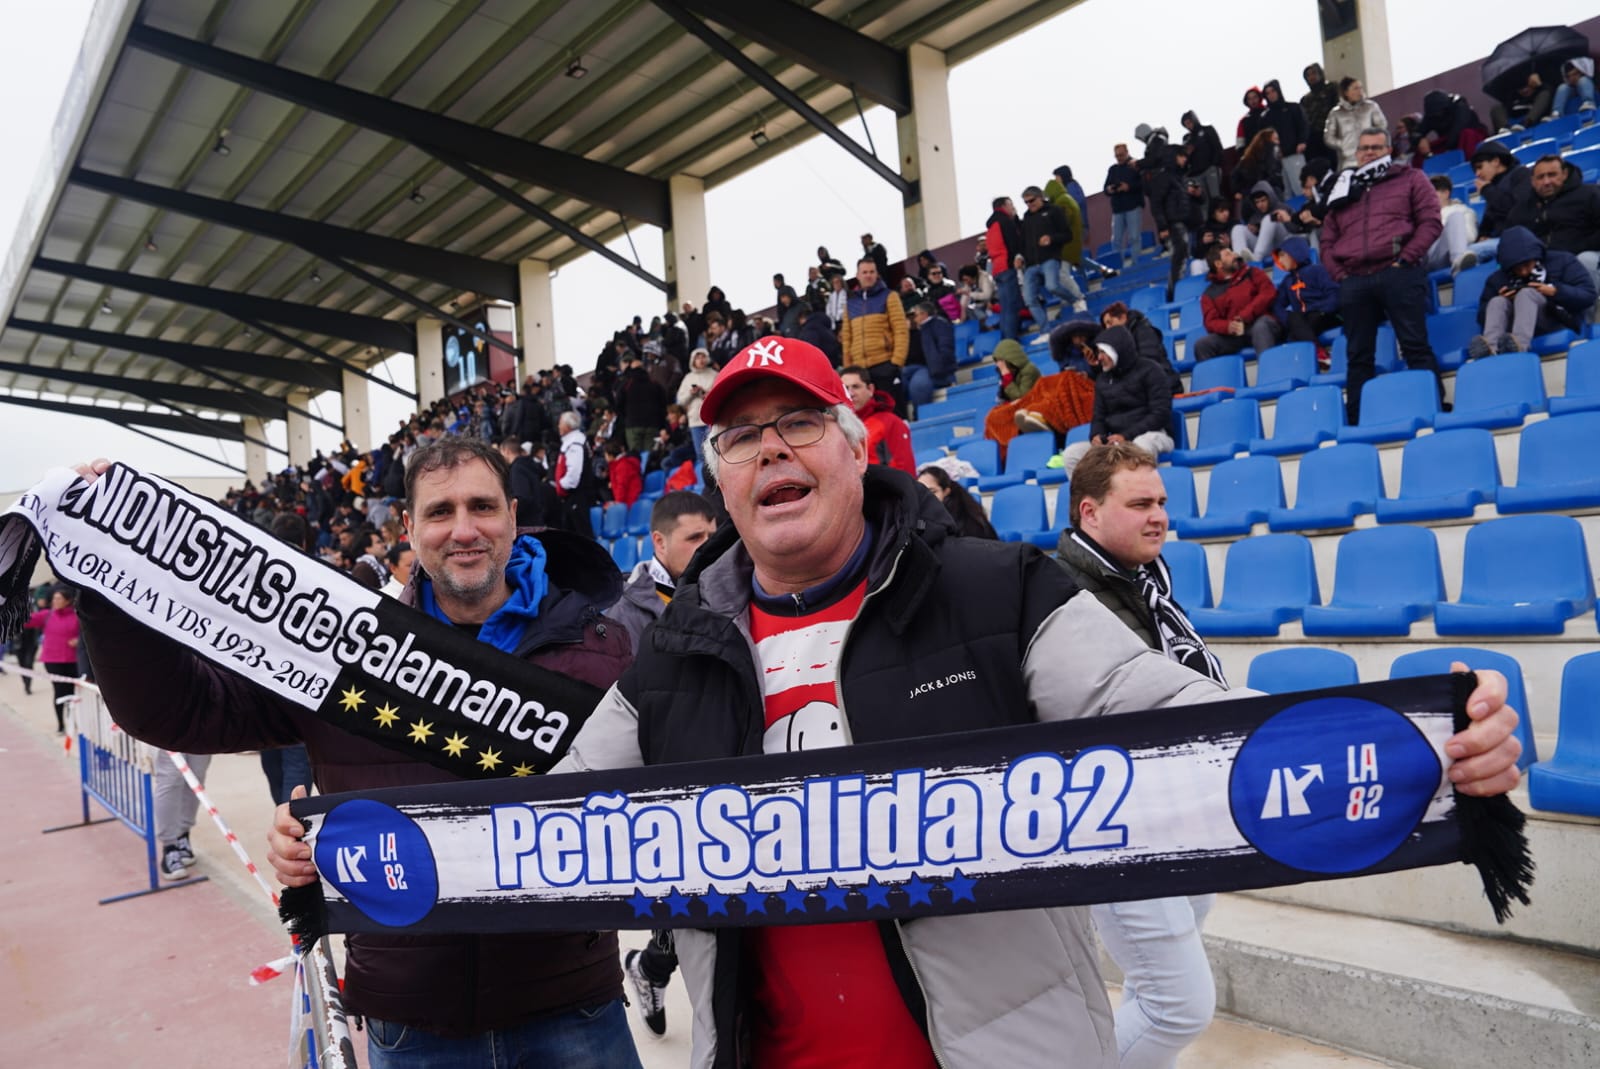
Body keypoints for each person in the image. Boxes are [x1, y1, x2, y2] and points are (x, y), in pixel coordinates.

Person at [266, 338, 1525, 1069]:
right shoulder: (671, 654)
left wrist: (1424, 748)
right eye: (740, 437)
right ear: (713, 471)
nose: (770, 451)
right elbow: (536, 823)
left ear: (853, 444)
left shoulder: (996, 587)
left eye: (797, 423)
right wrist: (343, 851)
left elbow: (1163, 716)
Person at [83, 437, 642, 1068]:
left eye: (482, 506)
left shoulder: (606, 650)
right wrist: (110, 582)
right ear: (408, 527)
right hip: (411, 1022)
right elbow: (175, 710)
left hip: (575, 1010)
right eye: (439, 512)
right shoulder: (338, 649)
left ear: (514, 514)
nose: (464, 530)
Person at [1055, 442, 1225, 1068]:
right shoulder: (1069, 598)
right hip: (1123, 820)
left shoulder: (1146, 579)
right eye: (1140, 504)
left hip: (1181, 804)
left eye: (1161, 503)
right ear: (1091, 513)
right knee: (1177, 1004)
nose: (1158, 516)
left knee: (1157, 993)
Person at [1319, 127, 1442, 422]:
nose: (1370, 153)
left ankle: (1433, 409)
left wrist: (1406, 258)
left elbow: (1431, 222)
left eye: (1376, 147)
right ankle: (1358, 420)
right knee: (1358, 356)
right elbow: (1326, 241)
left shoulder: (1411, 178)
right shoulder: (1344, 188)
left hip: (1397, 272)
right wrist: (1340, 275)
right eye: (1364, 148)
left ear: (1388, 150)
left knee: (1414, 345)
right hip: (1355, 281)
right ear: (1356, 153)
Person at [1058, 326, 1174, 477]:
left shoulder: (1151, 370)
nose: (1099, 358)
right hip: (1116, 442)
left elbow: (1160, 414)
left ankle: (1140, 498)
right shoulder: (1102, 380)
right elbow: (1098, 416)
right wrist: (1097, 436)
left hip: (1153, 435)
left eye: (1103, 352)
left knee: (1140, 446)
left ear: (1118, 350)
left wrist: (1126, 436)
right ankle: (1092, 499)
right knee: (1072, 454)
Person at [1467, 226, 1598, 357]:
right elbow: (1481, 317)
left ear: (1536, 256)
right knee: (1497, 301)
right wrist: (1504, 298)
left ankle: (1519, 347)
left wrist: (1555, 292)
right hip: (1512, 325)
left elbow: (1588, 295)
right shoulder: (1497, 279)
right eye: (1517, 269)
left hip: (1556, 319)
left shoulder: (1563, 261)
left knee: (1526, 294)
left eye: (1527, 265)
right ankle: (1490, 349)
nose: (1524, 272)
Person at [1505, 155, 1600, 292]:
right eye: (1540, 177)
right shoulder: (1521, 209)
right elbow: (1511, 242)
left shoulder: (1590, 194)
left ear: (1565, 174)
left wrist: (1578, 247)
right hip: (1544, 261)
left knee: (1585, 260)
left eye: (1552, 175)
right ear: (1532, 181)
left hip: (1587, 253)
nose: (1546, 181)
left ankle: (1589, 311)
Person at [1193, 245, 1281, 361]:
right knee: (1202, 345)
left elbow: (1268, 293)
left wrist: (1244, 316)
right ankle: (1218, 378)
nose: (1234, 255)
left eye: (1232, 252)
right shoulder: (1209, 294)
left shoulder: (1253, 273)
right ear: (1218, 264)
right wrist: (1228, 327)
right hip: (1235, 335)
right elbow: (1210, 322)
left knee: (1261, 326)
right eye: (1228, 254)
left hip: (1261, 323)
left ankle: (1269, 373)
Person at [841, 256, 910, 404]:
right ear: (858, 275)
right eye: (864, 272)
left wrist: (896, 362)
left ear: (876, 274)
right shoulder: (851, 303)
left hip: (885, 364)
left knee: (891, 411)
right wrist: (848, 367)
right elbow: (846, 337)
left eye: (872, 272)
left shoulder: (889, 296)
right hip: (859, 369)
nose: (868, 275)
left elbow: (900, 330)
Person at [1019, 184, 1088, 329]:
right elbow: (1024, 240)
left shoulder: (1054, 211)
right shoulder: (1026, 217)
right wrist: (1021, 256)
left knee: (1052, 286)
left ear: (1040, 198)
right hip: (1031, 264)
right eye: (1026, 202)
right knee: (1029, 299)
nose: (1029, 205)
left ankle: (1075, 300)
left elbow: (1067, 235)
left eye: (1031, 201)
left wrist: (1051, 238)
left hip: (1050, 258)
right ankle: (1045, 331)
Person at [1272, 236, 1342, 372]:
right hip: (1305, 320)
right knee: (1293, 320)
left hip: (1326, 315)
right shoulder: (1287, 281)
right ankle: (1319, 354)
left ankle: (1302, 367)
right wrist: (1287, 320)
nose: (1280, 260)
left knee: (1294, 332)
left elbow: (1334, 294)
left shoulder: (1317, 270)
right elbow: (1277, 305)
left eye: (1283, 255)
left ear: (1295, 253)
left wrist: (1319, 309)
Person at [841, 365, 916, 475]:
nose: (851, 393)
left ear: (870, 389)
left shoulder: (890, 422)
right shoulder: (835, 426)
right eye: (845, 389)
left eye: (856, 387)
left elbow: (904, 469)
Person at [25, 586, 79, 734]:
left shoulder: (77, 616)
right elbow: (26, 621)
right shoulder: (47, 615)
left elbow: (87, 635)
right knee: (60, 691)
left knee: (72, 692)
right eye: (54, 598)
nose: (55, 601)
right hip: (52, 660)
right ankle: (61, 724)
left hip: (72, 660)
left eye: (59, 598)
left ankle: (72, 722)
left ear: (68, 601)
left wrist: (78, 641)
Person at [1146, 143, 1196, 301]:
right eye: (1182, 156)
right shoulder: (1164, 177)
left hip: (1182, 222)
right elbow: (1156, 203)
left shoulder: (1179, 177)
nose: (1185, 159)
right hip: (1173, 224)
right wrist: (1162, 226)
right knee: (1179, 257)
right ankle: (1174, 292)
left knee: (1182, 256)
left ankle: (1177, 290)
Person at [1100, 301, 1182, 395]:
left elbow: (1148, 362)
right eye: (1105, 326)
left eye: (1109, 323)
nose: (1107, 328)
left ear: (1122, 317)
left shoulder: (1144, 331)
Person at [916, 465, 998, 539]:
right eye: (921, 493)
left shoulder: (962, 520)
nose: (926, 497)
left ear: (946, 491)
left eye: (932, 492)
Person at [984, 196, 1027, 339]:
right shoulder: (1005, 222)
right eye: (1011, 204)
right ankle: (1011, 339)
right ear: (1003, 206)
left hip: (997, 269)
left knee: (1005, 307)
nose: (1013, 207)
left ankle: (1006, 337)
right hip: (1007, 267)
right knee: (1011, 307)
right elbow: (1013, 242)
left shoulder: (991, 225)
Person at [555, 410, 600, 539]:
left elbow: (574, 474)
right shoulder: (572, 441)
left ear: (568, 426)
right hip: (572, 496)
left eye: (560, 423)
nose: (558, 426)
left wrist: (562, 484)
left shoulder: (575, 443)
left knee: (581, 535)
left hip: (576, 495)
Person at [1261, 79, 1311, 195]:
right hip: (1278, 161)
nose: (1271, 95)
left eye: (1273, 91)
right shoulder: (1265, 117)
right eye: (1267, 93)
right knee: (1286, 194)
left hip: (1295, 154)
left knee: (1302, 188)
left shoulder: (1293, 108)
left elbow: (1303, 125)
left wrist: (1302, 141)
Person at [1324, 77, 1386, 169]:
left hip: (1372, 157)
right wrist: (1343, 144)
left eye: (1360, 88)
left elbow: (1382, 126)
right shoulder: (1335, 113)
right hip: (1348, 161)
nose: (1360, 91)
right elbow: (1328, 137)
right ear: (1346, 92)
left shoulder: (1371, 107)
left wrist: (1372, 141)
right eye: (1355, 88)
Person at [907, 301, 956, 407]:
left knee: (919, 384)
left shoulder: (939, 325)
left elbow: (946, 350)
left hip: (937, 371)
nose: (913, 319)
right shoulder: (920, 330)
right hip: (924, 368)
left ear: (924, 314)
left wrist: (939, 370)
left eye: (915, 315)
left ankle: (919, 414)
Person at [1104, 143, 1145, 263]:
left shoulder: (1135, 165)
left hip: (1133, 206)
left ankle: (1137, 263)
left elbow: (1143, 184)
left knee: (1134, 237)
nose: (1119, 158)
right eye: (1117, 156)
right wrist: (1110, 189)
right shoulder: (1112, 170)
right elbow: (1105, 189)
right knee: (1116, 240)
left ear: (1127, 152)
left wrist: (1129, 187)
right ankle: (1118, 266)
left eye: (1121, 155)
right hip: (1118, 209)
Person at [677, 347, 718, 459]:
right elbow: (680, 400)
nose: (701, 360)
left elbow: (721, 394)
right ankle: (702, 476)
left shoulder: (714, 374)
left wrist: (707, 394)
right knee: (701, 455)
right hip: (695, 421)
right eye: (697, 357)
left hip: (712, 419)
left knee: (715, 453)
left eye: (703, 356)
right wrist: (691, 393)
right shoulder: (688, 378)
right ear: (693, 360)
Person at [1300, 63, 1341, 168]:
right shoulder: (1305, 99)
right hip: (1314, 138)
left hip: (1331, 133)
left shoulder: (1332, 88)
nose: (1311, 77)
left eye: (1314, 73)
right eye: (1308, 75)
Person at [1180, 110, 1225, 204]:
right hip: (1196, 175)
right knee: (1203, 202)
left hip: (1210, 169)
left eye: (1189, 122)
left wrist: (1214, 165)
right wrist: (1187, 153)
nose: (1188, 126)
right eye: (1186, 124)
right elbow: (1184, 160)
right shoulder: (1187, 139)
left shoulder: (1207, 130)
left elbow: (1217, 147)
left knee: (1215, 197)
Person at [604, 439, 643, 507]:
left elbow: (621, 486)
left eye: (606, 455)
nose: (605, 457)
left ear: (611, 455)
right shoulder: (616, 465)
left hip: (629, 500)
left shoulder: (622, 466)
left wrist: (617, 504)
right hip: (624, 500)